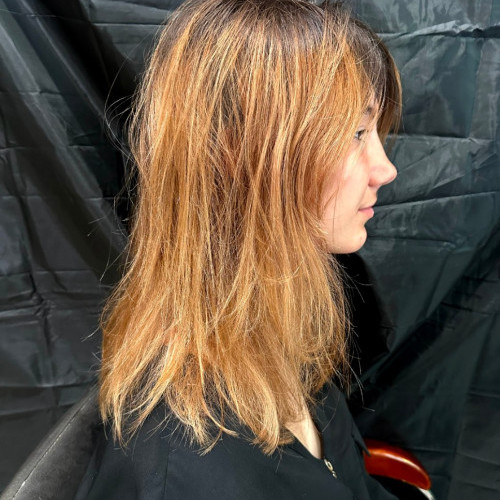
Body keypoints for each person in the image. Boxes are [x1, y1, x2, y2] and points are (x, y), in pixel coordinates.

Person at [76, 0, 401, 498]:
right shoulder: (188, 476)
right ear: (238, 152)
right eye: (356, 132)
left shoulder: (272, 330)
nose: (385, 169)